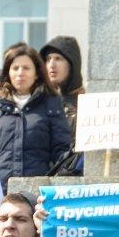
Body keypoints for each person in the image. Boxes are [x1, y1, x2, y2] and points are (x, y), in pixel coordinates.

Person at [0, 45, 72, 191]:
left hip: (37, 191)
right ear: (8, 72)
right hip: (1, 190)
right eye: (15, 68)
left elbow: (61, 151)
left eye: (26, 68)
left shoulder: (51, 103)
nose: (20, 73)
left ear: (36, 73)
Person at [41, 36, 86, 174]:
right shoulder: (41, 103)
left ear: (72, 64)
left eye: (58, 59)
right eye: (48, 60)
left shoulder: (87, 103)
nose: (51, 65)